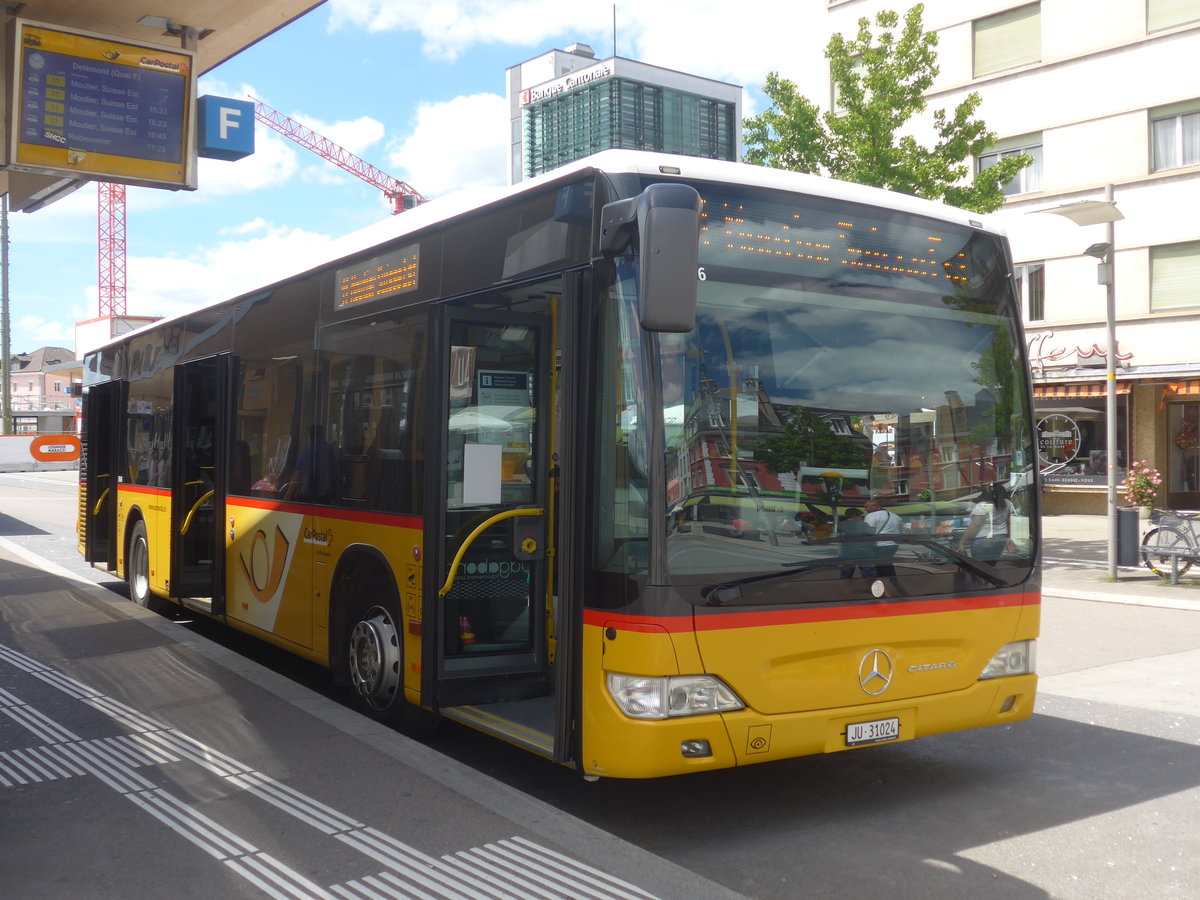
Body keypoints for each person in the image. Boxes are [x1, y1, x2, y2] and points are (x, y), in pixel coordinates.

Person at [958, 482, 1013, 562]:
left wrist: (962, 543)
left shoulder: (983, 506)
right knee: (991, 566)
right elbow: (1008, 522)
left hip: (982, 540)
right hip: (1000, 539)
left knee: (979, 567)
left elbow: (975, 525)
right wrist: (1008, 538)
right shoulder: (1008, 504)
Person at [863, 498, 901, 577]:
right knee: (886, 566)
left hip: (879, 545)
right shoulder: (895, 516)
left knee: (878, 569)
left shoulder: (871, 516)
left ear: (874, 507)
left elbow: (867, 532)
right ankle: (892, 583)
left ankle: (887, 585)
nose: (864, 508)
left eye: (866, 506)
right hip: (893, 545)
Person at [838, 508, 871, 579]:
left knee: (846, 575)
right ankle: (872, 589)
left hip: (847, 552)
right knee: (869, 575)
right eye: (861, 516)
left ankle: (845, 589)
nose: (862, 517)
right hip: (864, 552)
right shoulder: (864, 525)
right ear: (855, 516)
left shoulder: (841, 525)